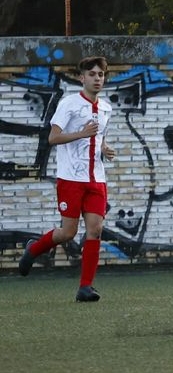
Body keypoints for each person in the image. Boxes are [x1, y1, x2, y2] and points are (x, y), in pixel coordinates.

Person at [18, 56, 116, 302]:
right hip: (71, 179)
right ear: (82, 78)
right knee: (68, 233)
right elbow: (53, 137)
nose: (97, 79)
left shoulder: (106, 108)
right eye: (92, 74)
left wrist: (104, 148)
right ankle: (34, 249)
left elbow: (99, 137)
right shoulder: (69, 103)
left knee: (96, 230)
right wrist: (81, 133)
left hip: (96, 180)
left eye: (100, 75)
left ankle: (85, 288)